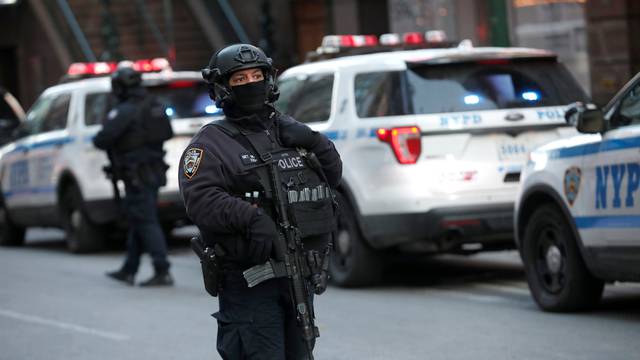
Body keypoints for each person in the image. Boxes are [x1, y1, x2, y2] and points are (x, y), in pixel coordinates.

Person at [179, 44, 342, 359]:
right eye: (240, 79)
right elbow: (200, 198)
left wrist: (313, 140)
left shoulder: (287, 130)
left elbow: (332, 176)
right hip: (249, 283)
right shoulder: (210, 143)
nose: (250, 83)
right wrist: (251, 219)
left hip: (298, 276)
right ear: (223, 88)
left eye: (257, 75)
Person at [94, 66, 174, 287]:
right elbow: (168, 132)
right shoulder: (153, 104)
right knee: (139, 218)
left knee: (145, 220)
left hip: (137, 174)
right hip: (153, 170)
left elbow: (102, 139)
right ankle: (129, 269)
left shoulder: (126, 109)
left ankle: (162, 269)